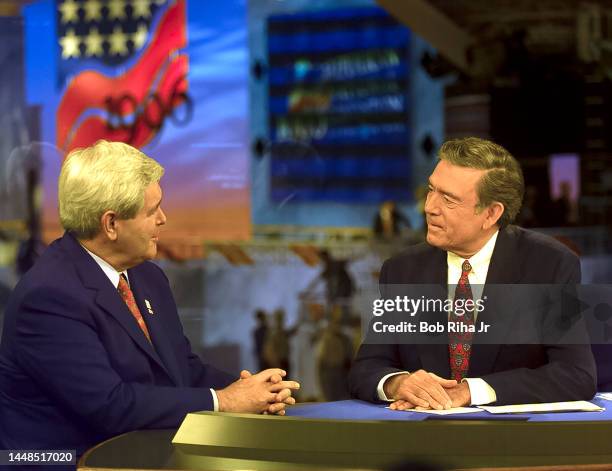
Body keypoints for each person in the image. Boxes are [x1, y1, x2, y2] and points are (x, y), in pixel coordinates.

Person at [0, 141, 299, 457]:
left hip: (142, 455)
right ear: (111, 224)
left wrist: (255, 392)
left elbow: (181, 368)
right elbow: (110, 405)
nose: (163, 219)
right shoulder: (49, 297)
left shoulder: (147, 277)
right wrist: (224, 401)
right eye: (152, 210)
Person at [349, 137, 596, 410]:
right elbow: (367, 368)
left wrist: (471, 391)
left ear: (490, 214)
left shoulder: (549, 265)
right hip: (420, 438)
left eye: (448, 199)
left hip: (510, 442)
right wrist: (397, 383)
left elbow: (576, 375)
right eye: (431, 190)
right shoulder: (402, 270)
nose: (429, 207)